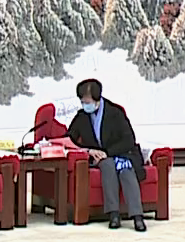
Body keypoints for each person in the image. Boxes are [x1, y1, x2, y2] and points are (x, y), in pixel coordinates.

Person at [63, 78, 147, 231]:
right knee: (107, 165)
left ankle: (137, 217)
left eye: (87, 101)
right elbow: (70, 139)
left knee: (126, 170)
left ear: (97, 99)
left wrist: (107, 153)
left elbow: (129, 140)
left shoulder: (115, 112)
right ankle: (113, 214)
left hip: (121, 154)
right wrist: (89, 151)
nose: (85, 104)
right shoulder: (82, 116)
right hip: (99, 159)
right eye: (82, 101)